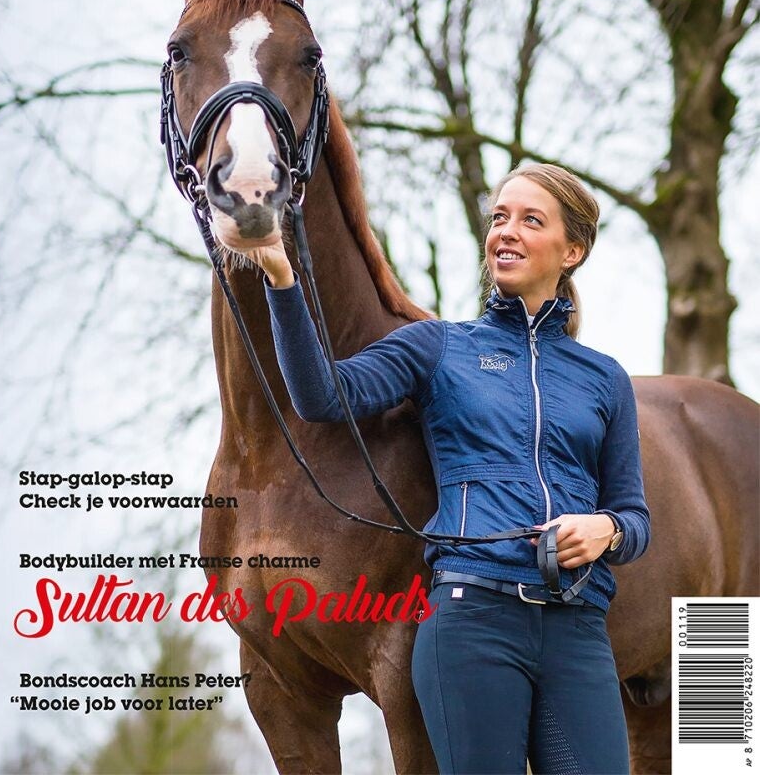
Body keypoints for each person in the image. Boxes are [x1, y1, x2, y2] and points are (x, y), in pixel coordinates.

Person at [244, 163, 650, 775]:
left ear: (572, 251)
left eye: (530, 220)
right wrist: (282, 280)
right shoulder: (439, 346)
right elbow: (322, 395)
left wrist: (607, 530)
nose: (506, 231)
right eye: (500, 217)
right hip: (473, 618)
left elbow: (634, 517)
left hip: (578, 625)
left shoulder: (604, 378)